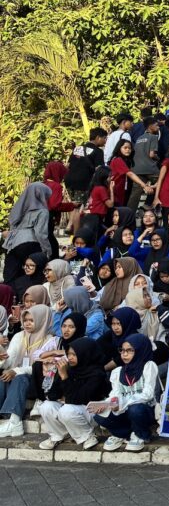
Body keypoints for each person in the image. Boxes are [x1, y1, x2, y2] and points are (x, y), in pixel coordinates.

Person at [37, 337, 111, 451]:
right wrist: (57, 374)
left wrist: (65, 377)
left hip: (93, 412)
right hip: (75, 409)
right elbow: (52, 395)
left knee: (67, 409)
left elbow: (76, 399)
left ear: (85, 354)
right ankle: (59, 435)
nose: (69, 357)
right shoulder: (69, 369)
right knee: (46, 406)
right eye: (68, 354)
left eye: (74, 355)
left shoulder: (97, 374)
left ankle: (87, 436)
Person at [90, 334, 159, 452]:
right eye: (122, 350)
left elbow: (148, 395)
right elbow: (115, 394)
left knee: (135, 409)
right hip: (124, 410)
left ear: (140, 350)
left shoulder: (148, 366)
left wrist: (122, 403)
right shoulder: (117, 371)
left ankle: (141, 434)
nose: (124, 354)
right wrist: (106, 404)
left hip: (145, 411)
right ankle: (123, 434)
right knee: (99, 415)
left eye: (130, 350)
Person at [0, 304, 56, 437]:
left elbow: (40, 367)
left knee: (20, 378)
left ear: (42, 320)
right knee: (2, 377)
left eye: (32, 320)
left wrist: (17, 371)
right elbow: (9, 361)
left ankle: (15, 423)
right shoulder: (19, 336)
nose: (27, 324)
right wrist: (2, 357)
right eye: (25, 320)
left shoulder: (50, 340)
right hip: (17, 377)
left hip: (38, 383)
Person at [3, 183, 52, 284]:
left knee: (11, 275)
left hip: (13, 244)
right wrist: (47, 251)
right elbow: (40, 234)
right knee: (33, 274)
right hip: (30, 243)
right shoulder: (42, 211)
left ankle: (10, 296)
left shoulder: (20, 208)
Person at [65, 128, 107, 234]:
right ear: (98, 138)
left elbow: (68, 165)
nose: (105, 141)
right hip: (83, 182)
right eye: (104, 138)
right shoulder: (98, 152)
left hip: (69, 180)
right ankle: (74, 231)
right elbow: (99, 169)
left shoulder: (78, 148)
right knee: (79, 206)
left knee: (74, 204)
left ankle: (70, 225)